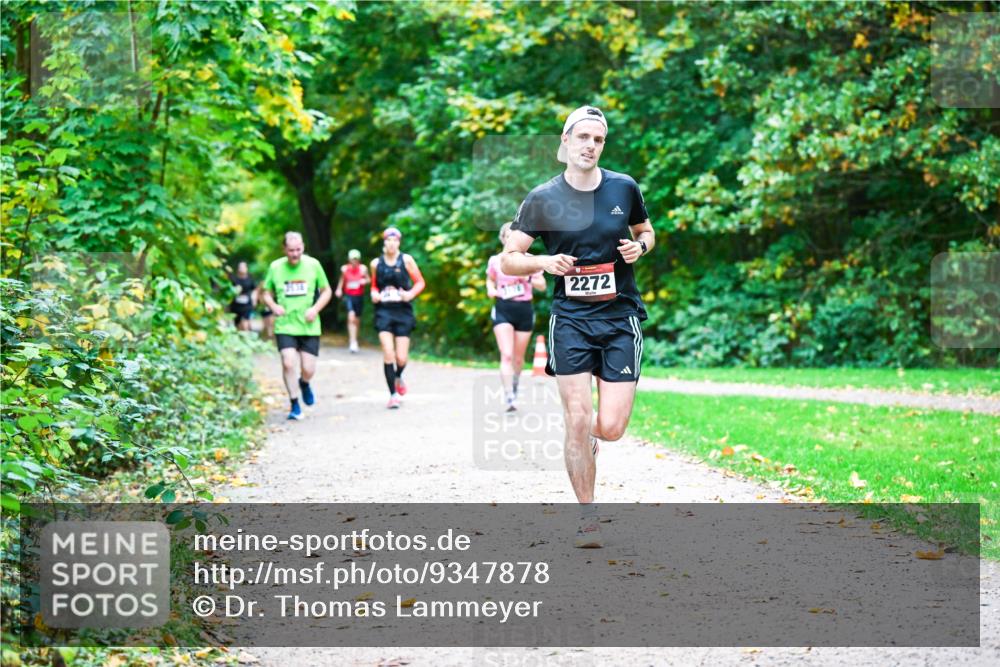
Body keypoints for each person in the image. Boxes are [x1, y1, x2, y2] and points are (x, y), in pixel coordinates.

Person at [500, 106, 655, 548]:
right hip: (569, 320)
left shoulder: (624, 187)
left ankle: (586, 438)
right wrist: (544, 261)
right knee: (577, 416)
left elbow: (647, 231)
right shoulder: (542, 198)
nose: (590, 145)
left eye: (598, 139)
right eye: (582, 137)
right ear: (565, 141)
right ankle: (587, 517)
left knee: (610, 426)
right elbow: (510, 258)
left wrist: (639, 248)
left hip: (619, 317)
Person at [260, 232, 333, 421]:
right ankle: (294, 404)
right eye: (291, 250)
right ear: (284, 249)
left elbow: (327, 291)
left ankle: (305, 383)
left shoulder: (313, 265)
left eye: (298, 250)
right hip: (285, 325)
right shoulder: (275, 267)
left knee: (308, 369)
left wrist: (315, 309)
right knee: (288, 362)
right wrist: (274, 306)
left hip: (309, 325)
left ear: (303, 247)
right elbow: (265, 293)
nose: (295, 254)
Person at [487, 222, 546, 412]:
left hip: (524, 309)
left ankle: (514, 385)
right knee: (506, 354)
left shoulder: (530, 259)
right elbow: (490, 279)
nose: (509, 240)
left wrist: (527, 276)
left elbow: (542, 286)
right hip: (503, 308)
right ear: (502, 239)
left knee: (518, 359)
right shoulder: (495, 261)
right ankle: (509, 396)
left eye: (513, 237)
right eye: (506, 237)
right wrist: (490, 288)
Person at [370, 227, 425, 409]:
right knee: (388, 352)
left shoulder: (406, 260)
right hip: (384, 311)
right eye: (388, 240)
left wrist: (409, 295)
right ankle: (393, 394)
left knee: (401, 358)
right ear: (384, 242)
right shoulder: (376, 263)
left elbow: (420, 282)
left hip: (403, 310)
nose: (392, 244)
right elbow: (373, 286)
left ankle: (399, 375)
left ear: (399, 242)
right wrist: (374, 294)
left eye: (395, 240)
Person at [335, 249, 370, 353]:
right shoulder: (345, 269)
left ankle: (355, 339)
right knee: (351, 317)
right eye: (352, 259)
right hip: (349, 296)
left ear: (358, 259)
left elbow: (369, 279)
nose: (354, 261)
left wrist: (364, 281)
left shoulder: (363, 269)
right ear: (349, 259)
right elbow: (342, 280)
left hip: (359, 296)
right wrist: (339, 289)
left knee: (357, 319)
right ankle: (352, 341)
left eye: (356, 259)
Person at [229, 261, 257, 332]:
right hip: (236, 304)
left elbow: (254, 289)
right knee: (237, 323)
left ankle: (246, 335)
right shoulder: (233, 279)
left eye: (243, 267)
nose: (242, 269)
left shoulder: (250, 279)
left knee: (246, 322)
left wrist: (254, 299)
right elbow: (229, 290)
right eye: (240, 267)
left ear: (246, 268)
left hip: (247, 303)